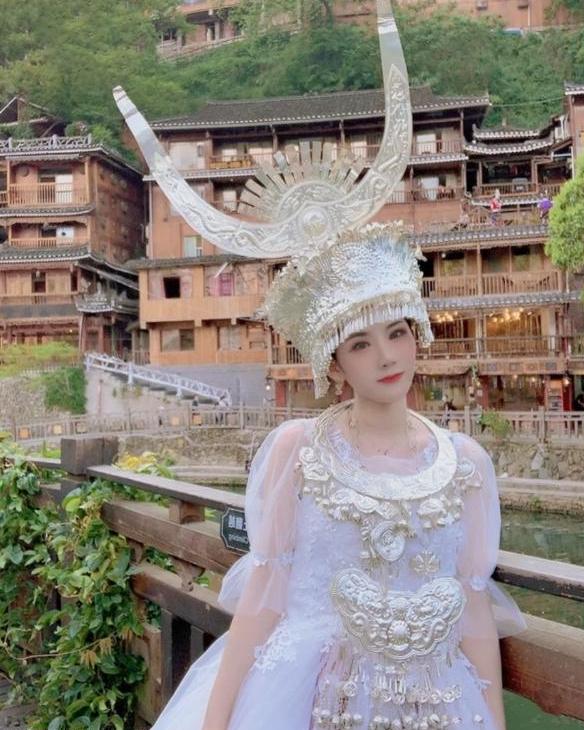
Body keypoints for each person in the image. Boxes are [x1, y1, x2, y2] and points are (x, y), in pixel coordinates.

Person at [115, 5, 524, 727]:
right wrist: (215, 719)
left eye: (396, 333)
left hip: (433, 702)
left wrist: (490, 717)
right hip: (305, 698)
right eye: (360, 344)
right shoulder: (296, 451)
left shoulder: (464, 463)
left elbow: (471, 608)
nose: (386, 356)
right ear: (333, 364)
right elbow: (265, 597)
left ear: (418, 335)